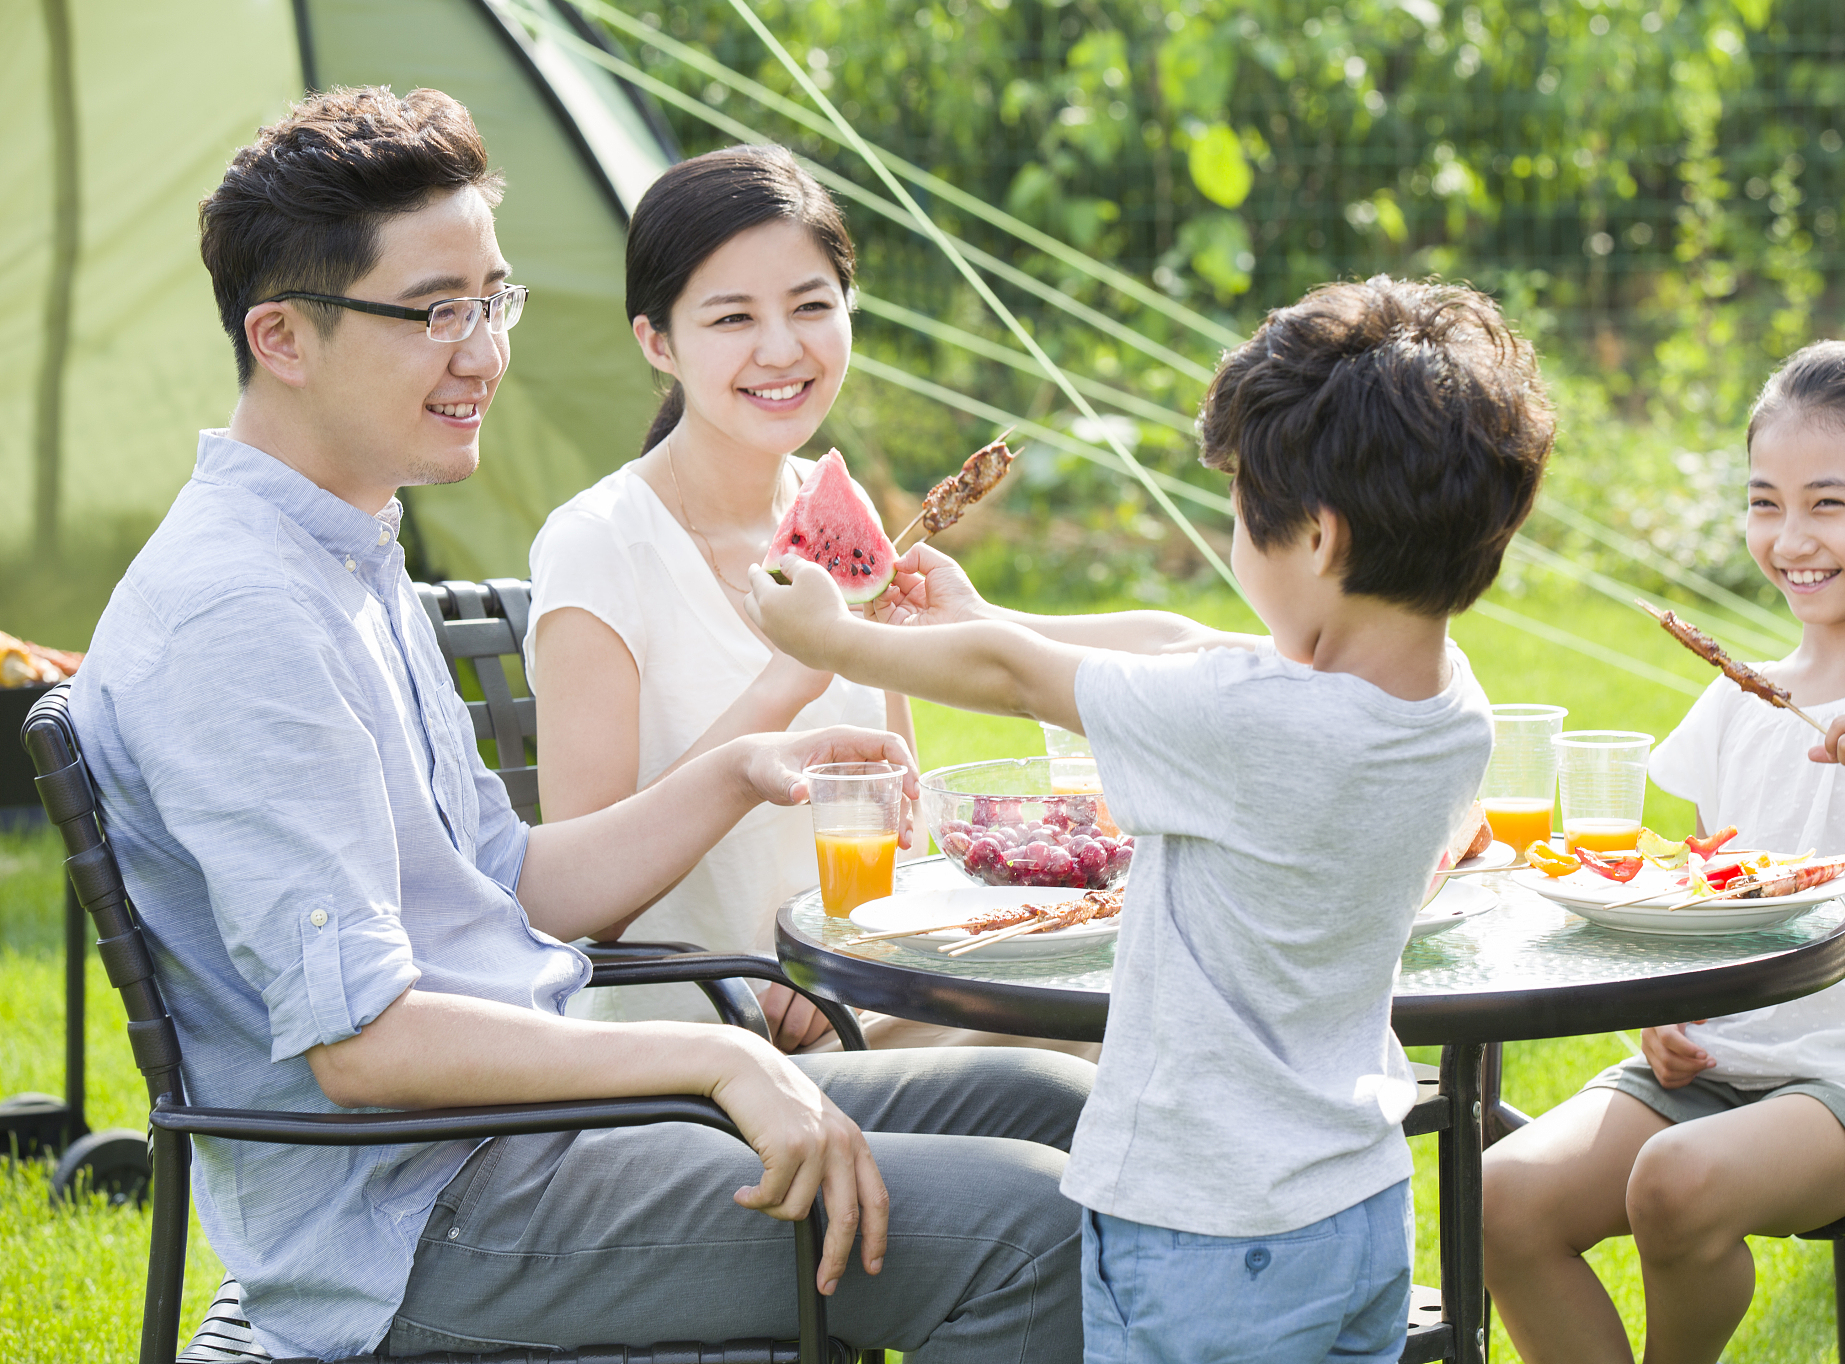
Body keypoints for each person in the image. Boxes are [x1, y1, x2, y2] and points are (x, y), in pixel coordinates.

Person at [67, 86, 1089, 1362]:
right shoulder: (240, 615)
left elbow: (514, 882)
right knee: (1033, 1229)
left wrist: (737, 768)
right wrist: (715, 1063)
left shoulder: (344, 550)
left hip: (534, 1133)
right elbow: (364, 1047)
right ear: (282, 337)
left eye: (492, 300)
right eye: (435, 311)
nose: (483, 354)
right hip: (428, 1215)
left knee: (1053, 1106)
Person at [749, 276, 1556, 1363]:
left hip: (1204, 1235)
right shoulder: (1448, 702)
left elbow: (1019, 680)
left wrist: (837, 641)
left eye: (1241, 509)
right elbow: (1184, 645)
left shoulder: (1248, 726)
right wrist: (984, 613)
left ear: (1318, 538)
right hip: (1355, 1206)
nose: (1232, 533)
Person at [1482, 341, 1845, 1364]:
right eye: (1764, 503)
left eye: (1828, 504)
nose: (1790, 539)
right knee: (1499, 1195)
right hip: (1724, 1064)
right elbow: (1706, 907)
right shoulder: (1734, 704)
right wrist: (1659, 1011)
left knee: (1674, 1181)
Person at [527, 145, 1094, 1057]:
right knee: (1076, 1064)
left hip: (862, 1000)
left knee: (1139, 1015)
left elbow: (900, 819)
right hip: (703, 1042)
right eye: (732, 317)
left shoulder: (841, 508)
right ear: (657, 342)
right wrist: (786, 679)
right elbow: (582, 901)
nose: (783, 349)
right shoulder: (599, 546)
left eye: (811, 306)